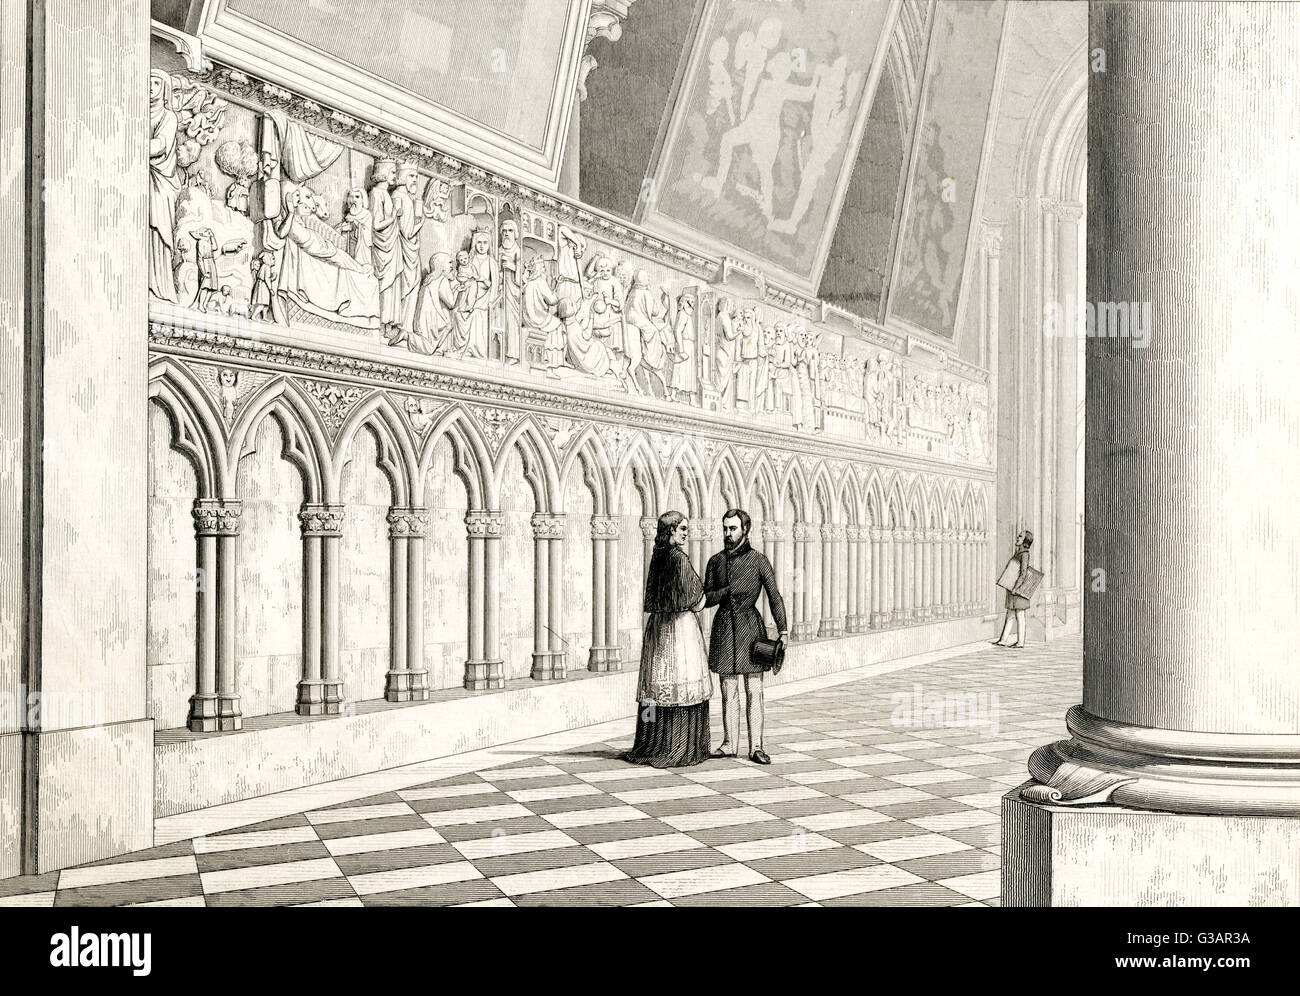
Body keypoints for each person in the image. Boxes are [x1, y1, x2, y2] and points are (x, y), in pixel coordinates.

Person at [624, 511, 713, 768]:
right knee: (681, 683)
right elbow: (698, 602)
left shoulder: (657, 556)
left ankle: (649, 743)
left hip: (657, 629)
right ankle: (681, 747)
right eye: (682, 528)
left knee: (654, 688)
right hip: (679, 629)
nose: (686, 532)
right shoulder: (679, 558)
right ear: (671, 531)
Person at [703, 508, 788, 764]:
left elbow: (774, 596)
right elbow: (707, 598)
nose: (728, 534)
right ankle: (729, 743)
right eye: (725, 528)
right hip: (725, 629)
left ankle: (756, 747)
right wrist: (724, 592)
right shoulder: (715, 562)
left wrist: (783, 630)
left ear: (745, 530)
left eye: (733, 529)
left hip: (751, 628)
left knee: (754, 690)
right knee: (728, 690)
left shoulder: (759, 560)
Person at [994, 530, 1034, 648]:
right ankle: (1003, 640)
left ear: (1025, 541)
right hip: (1014, 590)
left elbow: (1023, 573)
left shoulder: (1024, 554)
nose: (1017, 537)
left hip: (1018, 590)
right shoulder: (1019, 553)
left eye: (1020, 536)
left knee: (1020, 615)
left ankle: (1020, 642)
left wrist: (1016, 588)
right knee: (1010, 614)